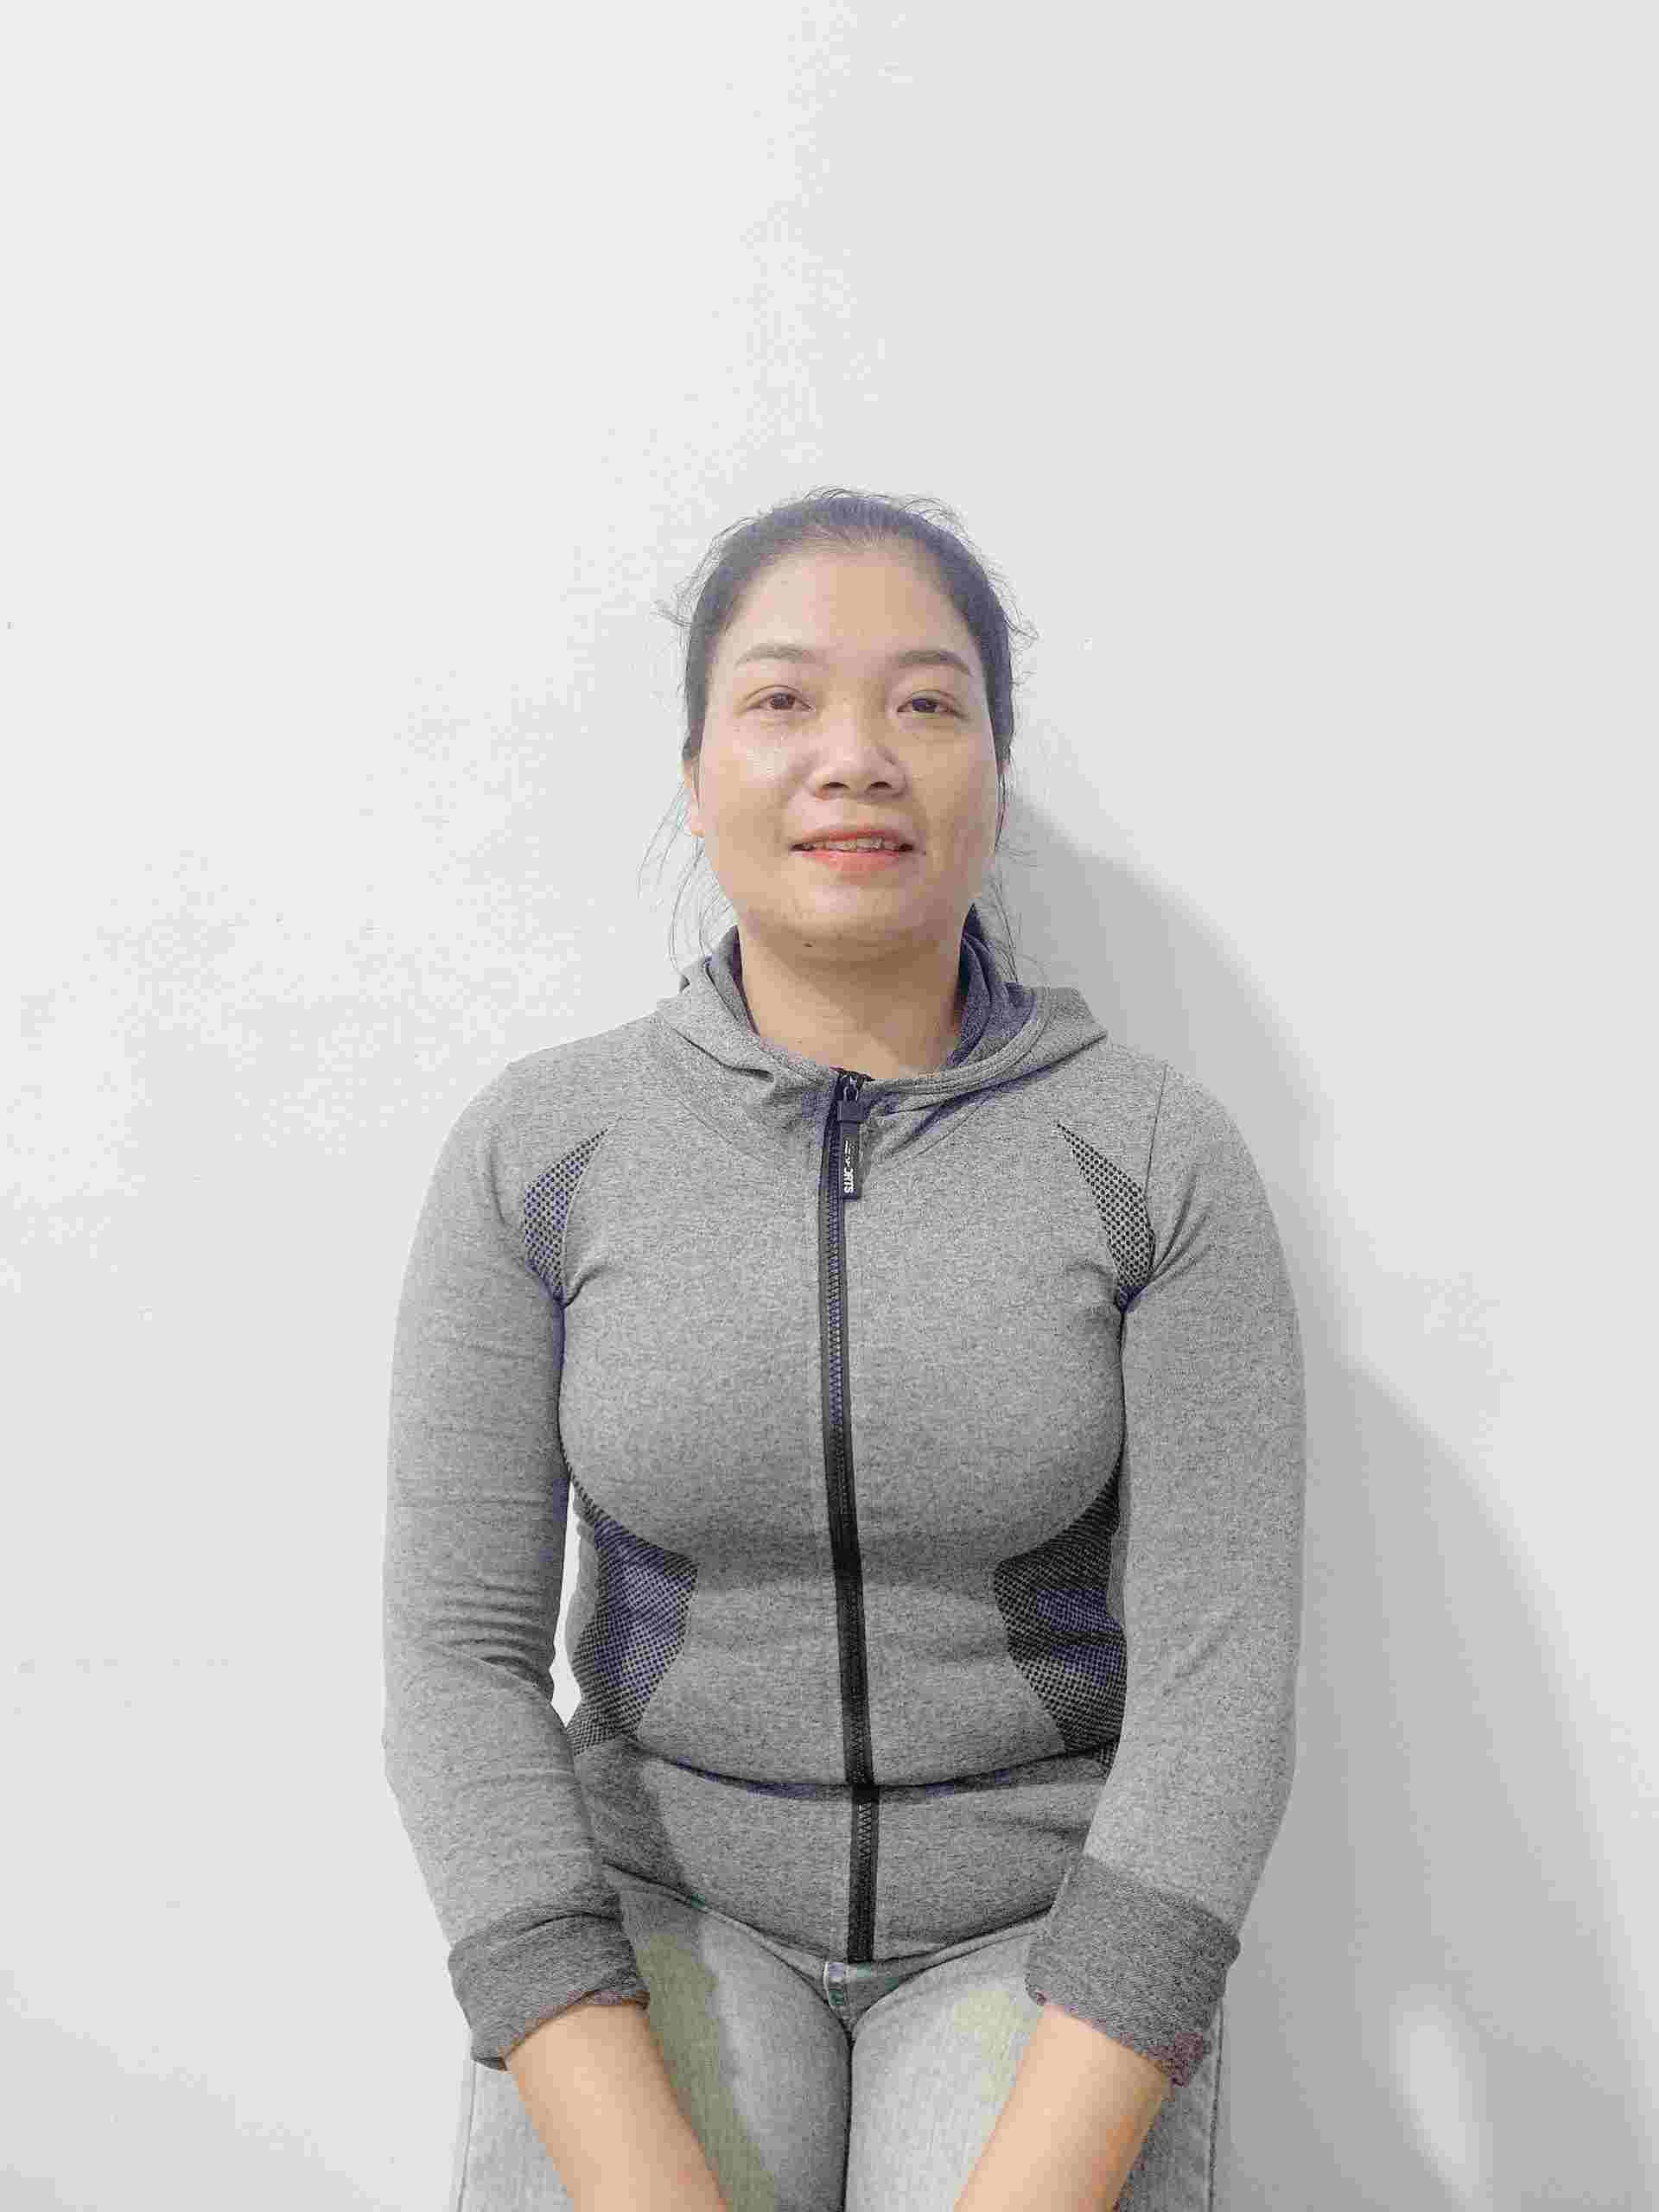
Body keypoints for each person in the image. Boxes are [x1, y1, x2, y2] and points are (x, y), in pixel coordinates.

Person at [382, 486, 1306, 2210]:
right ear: (696, 770)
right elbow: (457, 1661)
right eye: (784, 698)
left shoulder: (1155, 1158)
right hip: (659, 1912)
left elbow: (1216, 1697)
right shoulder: (539, 1149)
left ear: (994, 782)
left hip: (1035, 1929)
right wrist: (630, 2156)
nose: (857, 757)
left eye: (926, 702)